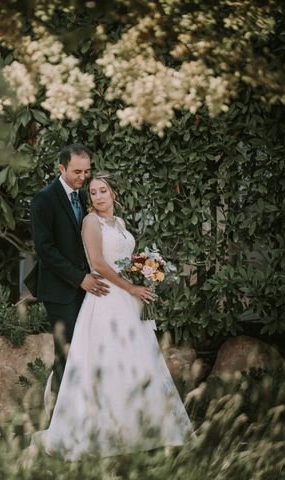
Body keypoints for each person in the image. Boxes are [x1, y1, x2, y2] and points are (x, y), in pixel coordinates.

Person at [37, 171, 193, 459]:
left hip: (127, 300)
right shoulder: (90, 222)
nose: (97, 196)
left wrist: (144, 270)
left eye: (102, 191)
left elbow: (123, 261)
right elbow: (97, 262)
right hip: (106, 297)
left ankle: (141, 430)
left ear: (113, 194)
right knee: (109, 362)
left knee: (138, 361)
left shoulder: (119, 223)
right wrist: (131, 286)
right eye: (93, 192)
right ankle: (103, 433)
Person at [25, 143, 110, 395]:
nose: (83, 178)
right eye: (77, 172)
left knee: (89, 350)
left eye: (87, 172)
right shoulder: (44, 199)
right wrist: (79, 278)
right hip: (59, 290)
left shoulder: (86, 197)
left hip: (89, 289)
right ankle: (56, 417)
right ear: (61, 168)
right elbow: (45, 249)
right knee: (68, 352)